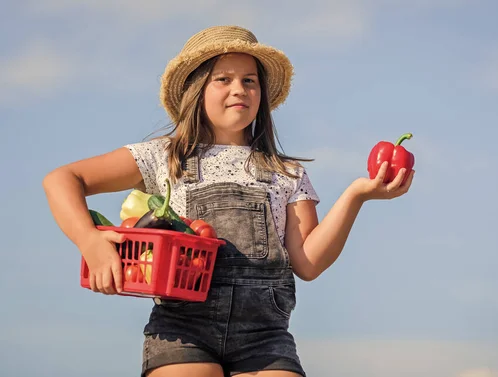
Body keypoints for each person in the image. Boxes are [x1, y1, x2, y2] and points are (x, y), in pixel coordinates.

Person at [42, 25, 415, 377]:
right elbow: (62, 179)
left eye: (249, 81)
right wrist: (89, 240)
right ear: (197, 90)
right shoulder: (164, 156)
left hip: (266, 338)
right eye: (223, 79)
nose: (239, 89)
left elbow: (308, 263)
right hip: (183, 331)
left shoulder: (287, 173)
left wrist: (356, 195)